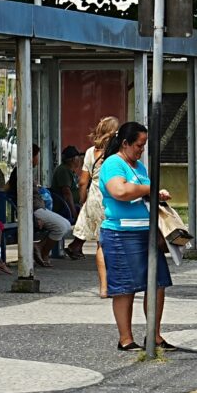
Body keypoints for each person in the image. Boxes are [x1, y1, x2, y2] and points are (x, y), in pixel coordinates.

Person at [99, 121, 176, 352]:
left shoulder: (139, 167)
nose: (141, 150)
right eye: (138, 145)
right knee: (125, 287)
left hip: (146, 232)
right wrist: (150, 190)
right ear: (125, 143)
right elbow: (119, 191)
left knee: (157, 283)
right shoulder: (114, 164)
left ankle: (154, 335)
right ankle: (126, 338)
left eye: (144, 146)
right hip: (122, 233)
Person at [69, 116, 119, 297]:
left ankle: (104, 287)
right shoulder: (118, 151)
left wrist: (83, 201)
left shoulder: (90, 152)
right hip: (112, 195)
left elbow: (83, 181)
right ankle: (116, 284)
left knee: (101, 243)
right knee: (115, 241)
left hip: (94, 196)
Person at [6, 144, 72, 267]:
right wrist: (33, 218)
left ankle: (40, 246)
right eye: (37, 156)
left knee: (67, 225)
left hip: (39, 208)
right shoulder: (22, 173)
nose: (38, 159)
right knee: (61, 227)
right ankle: (43, 252)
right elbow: (24, 198)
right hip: (34, 210)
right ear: (31, 156)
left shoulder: (27, 171)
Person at [51, 146, 83, 222]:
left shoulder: (70, 171)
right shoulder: (63, 170)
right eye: (78, 157)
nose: (79, 160)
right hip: (65, 208)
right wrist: (74, 213)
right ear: (73, 159)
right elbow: (67, 193)